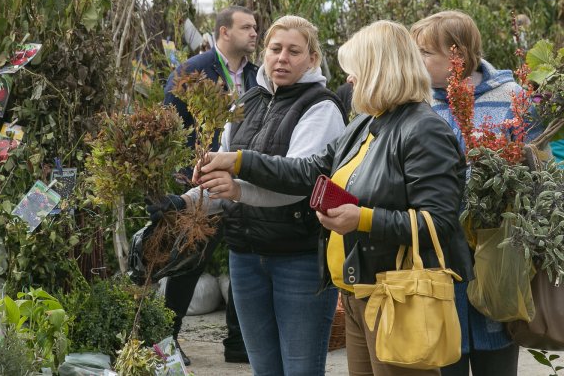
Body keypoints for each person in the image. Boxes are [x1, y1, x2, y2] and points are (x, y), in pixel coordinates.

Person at [195, 20, 474, 376]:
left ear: (379, 70)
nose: (350, 81)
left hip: (397, 297)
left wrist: (362, 219)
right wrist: (238, 161)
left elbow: (439, 223)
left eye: (355, 71)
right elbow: (308, 171)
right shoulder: (366, 123)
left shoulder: (424, 130)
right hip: (360, 291)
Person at [154, 15, 347, 375]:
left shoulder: (321, 106)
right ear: (265, 52)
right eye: (275, 49)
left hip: (298, 259)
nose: (282, 58)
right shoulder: (245, 103)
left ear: (312, 58)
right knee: (263, 368)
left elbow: (300, 180)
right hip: (245, 258)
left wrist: (238, 180)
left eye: (294, 51)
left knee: (300, 369)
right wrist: (181, 203)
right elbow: (224, 185)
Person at [410, 10, 541, 376]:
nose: (415, 61)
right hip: (438, 255)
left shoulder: (510, 95)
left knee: (496, 354)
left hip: (495, 253)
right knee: (446, 356)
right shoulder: (417, 102)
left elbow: (536, 165)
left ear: (458, 55)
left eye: (425, 53)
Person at [159, 5, 259, 365]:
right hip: (200, 182)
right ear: (223, 32)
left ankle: (237, 342)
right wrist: (187, 174)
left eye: (255, 28)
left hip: (242, 181)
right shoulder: (193, 70)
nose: (253, 33)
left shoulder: (257, 76)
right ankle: (167, 338)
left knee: (242, 258)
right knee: (191, 259)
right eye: (246, 27)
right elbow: (169, 123)